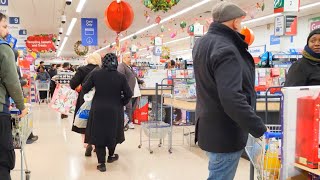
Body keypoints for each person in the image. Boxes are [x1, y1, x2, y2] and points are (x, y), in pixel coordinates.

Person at [192, 2, 267, 180]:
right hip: (225, 131)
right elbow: (232, 98)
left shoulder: (201, 44)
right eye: (240, 22)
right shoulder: (227, 49)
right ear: (234, 23)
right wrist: (259, 128)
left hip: (210, 126)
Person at [82, 53, 132, 172]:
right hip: (115, 109)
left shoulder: (95, 73)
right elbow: (129, 94)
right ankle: (111, 156)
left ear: (103, 62)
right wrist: (121, 102)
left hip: (98, 108)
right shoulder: (121, 76)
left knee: (99, 134)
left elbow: (85, 88)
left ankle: (101, 163)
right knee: (113, 132)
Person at [0, 13, 28, 180]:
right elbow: (12, 81)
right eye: (4, 26)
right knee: (3, 158)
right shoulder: (4, 48)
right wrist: (21, 106)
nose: (7, 30)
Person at [70, 52, 101, 157]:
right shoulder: (101, 70)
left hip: (84, 99)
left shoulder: (81, 70)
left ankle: (87, 143)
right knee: (97, 122)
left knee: (84, 121)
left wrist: (79, 86)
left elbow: (72, 84)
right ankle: (97, 144)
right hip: (98, 100)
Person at [12, 49, 38, 144]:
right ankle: (27, 136)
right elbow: (15, 83)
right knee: (23, 114)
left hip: (10, 97)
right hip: (14, 96)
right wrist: (25, 81)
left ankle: (26, 135)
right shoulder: (14, 67)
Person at [118, 54, 143, 130]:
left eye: (130, 57)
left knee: (133, 107)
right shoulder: (121, 66)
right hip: (127, 90)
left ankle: (129, 121)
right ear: (124, 58)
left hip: (134, 91)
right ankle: (129, 122)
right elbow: (120, 77)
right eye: (128, 57)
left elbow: (134, 77)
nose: (130, 59)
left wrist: (141, 81)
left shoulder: (129, 67)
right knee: (128, 107)